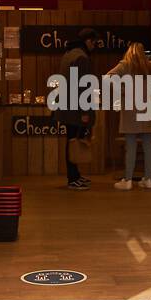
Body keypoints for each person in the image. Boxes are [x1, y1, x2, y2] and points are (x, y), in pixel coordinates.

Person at [105, 42, 151, 189]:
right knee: (148, 145)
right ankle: (147, 179)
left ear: (129, 52)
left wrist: (123, 89)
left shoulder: (124, 65)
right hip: (146, 107)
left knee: (131, 145)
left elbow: (107, 78)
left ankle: (127, 180)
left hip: (130, 108)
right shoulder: (149, 66)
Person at [56, 28, 98, 190]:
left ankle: (75, 175)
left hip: (67, 106)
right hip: (75, 108)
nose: (94, 46)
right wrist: (86, 112)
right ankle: (73, 178)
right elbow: (83, 87)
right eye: (94, 42)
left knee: (71, 141)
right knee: (73, 142)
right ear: (88, 41)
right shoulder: (82, 57)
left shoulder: (69, 54)